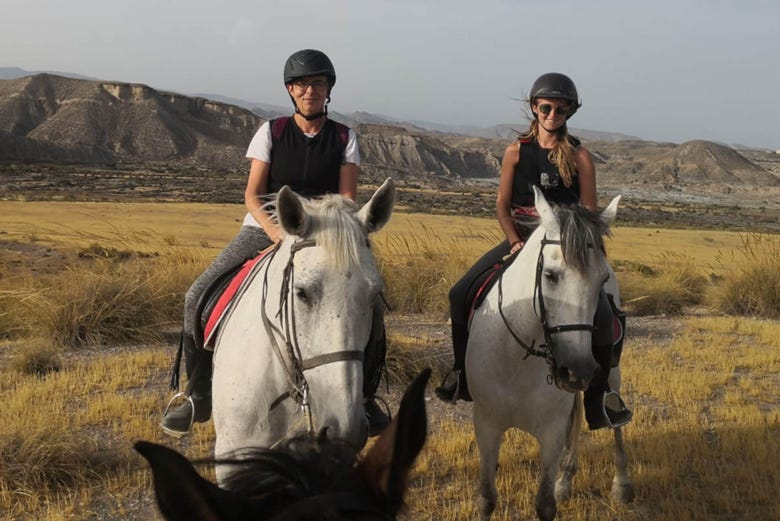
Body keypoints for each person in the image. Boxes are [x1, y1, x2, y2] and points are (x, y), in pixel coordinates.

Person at [161, 49, 390, 437]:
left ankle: (364, 399)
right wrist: (275, 232)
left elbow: (348, 201)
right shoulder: (271, 131)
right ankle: (196, 391)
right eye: (302, 84)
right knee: (196, 294)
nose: (310, 91)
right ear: (290, 90)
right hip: (264, 227)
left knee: (373, 311)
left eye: (318, 83)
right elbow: (252, 194)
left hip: (323, 237)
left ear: (328, 89)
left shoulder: (344, 137)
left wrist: (321, 234)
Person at [434, 72, 632, 430]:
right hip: (523, 238)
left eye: (561, 108)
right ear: (534, 108)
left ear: (570, 112)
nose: (553, 113)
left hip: (566, 248)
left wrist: (584, 256)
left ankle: (599, 395)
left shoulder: (581, 157)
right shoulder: (515, 152)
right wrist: (513, 242)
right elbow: (501, 205)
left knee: (606, 313)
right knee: (460, 292)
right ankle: (462, 374)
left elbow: (589, 217)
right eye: (546, 106)